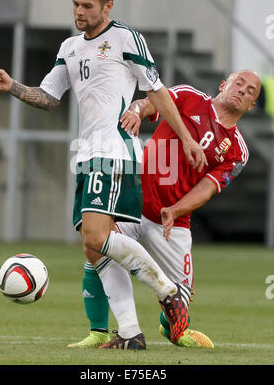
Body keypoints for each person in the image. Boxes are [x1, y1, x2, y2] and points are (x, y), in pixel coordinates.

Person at [0, 0, 207, 348]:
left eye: (87, 6)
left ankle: (168, 291)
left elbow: (157, 92)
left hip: (114, 152)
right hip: (87, 155)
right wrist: (13, 87)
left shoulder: (126, 38)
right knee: (94, 246)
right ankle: (130, 334)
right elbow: (49, 96)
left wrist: (186, 138)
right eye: (75, 4)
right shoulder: (70, 47)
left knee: (96, 236)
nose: (79, 11)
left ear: (107, 6)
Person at [69, 69, 261, 350]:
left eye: (250, 91)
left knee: (178, 314)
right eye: (239, 83)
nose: (243, 90)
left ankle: (169, 325)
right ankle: (101, 332)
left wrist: (175, 209)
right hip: (134, 201)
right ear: (224, 85)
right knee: (95, 245)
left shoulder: (237, 150)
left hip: (173, 222)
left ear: (251, 105)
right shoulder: (188, 96)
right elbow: (149, 103)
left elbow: (207, 188)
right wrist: (135, 110)